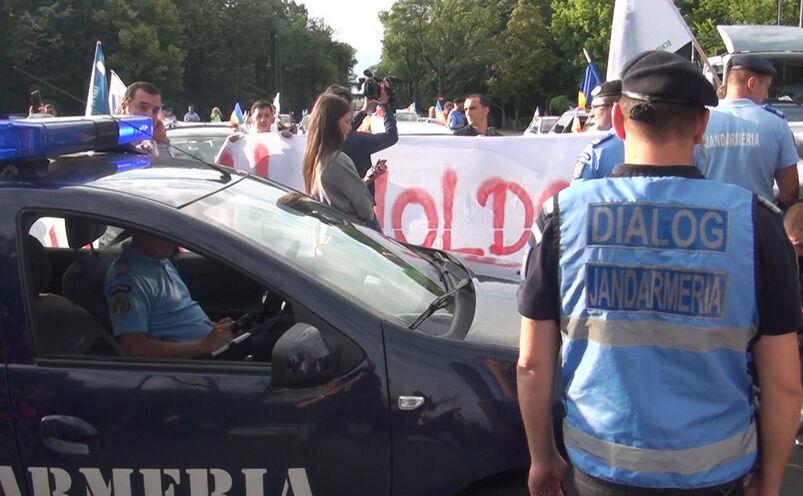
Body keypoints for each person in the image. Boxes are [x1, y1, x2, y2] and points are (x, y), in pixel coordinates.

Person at [517, 50, 802, 496]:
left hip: (601, 469)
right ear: (701, 126)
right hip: (716, 473)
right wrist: (769, 480)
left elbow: (532, 364)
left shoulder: (561, 217)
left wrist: (541, 457)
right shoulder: (757, 223)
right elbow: (785, 385)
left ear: (617, 122)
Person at [104, 230, 233, 358]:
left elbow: (179, 313)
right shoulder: (128, 280)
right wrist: (203, 345)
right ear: (141, 233)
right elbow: (134, 347)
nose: (172, 237)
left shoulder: (159, 260)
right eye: (163, 231)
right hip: (195, 364)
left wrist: (218, 330)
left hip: (212, 350)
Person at [695, 54, 799, 208]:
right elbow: (790, 191)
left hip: (708, 223)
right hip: (755, 224)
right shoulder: (777, 124)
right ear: (752, 83)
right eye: (766, 88)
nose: (766, 95)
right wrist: (771, 211)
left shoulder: (699, 120)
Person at [302, 93, 381, 230]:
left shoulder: (312, 157)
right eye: (347, 122)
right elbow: (366, 211)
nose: (350, 127)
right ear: (332, 124)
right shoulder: (337, 160)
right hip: (345, 238)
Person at [326, 84, 397, 198]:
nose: (349, 126)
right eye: (347, 120)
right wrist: (385, 105)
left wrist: (364, 110)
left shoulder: (321, 139)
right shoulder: (356, 141)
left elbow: (346, 128)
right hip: (358, 206)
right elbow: (391, 136)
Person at [571, 80, 624, 183]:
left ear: (615, 108)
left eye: (596, 107)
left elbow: (578, 194)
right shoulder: (655, 142)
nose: (590, 114)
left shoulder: (598, 152)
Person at [120, 81, 169, 152]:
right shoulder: (106, 139)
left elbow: (166, 162)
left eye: (155, 111)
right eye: (143, 107)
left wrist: (161, 144)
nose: (149, 115)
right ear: (124, 108)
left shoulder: (156, 145)